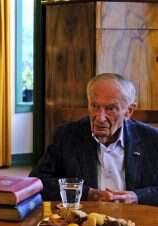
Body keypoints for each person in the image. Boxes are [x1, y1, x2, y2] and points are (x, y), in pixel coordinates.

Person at [30, 73, 158, 206]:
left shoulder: (152, 139)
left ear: (129, 111)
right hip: (85, 220)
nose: (100, 117)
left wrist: (137, 197)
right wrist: (87, 194)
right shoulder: (67, 136)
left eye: (110, 109)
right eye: (95, 106)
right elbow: (37, 182)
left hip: (137, 220)